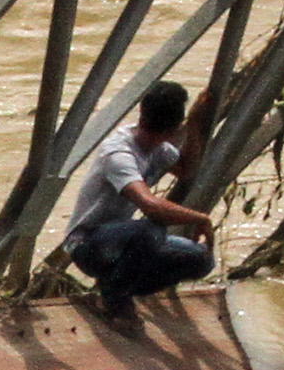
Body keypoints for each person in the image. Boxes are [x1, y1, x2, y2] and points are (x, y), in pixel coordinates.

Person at [66, 80, 215, 321]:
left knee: (201, 259)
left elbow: (185, 169)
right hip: (87, 244)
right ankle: (115, 297)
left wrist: (194, 125)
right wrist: (201, 218)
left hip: (121, 241)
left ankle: (115, 284)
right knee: (150, 230)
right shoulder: (118, 153)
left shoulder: (157, 147)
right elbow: (151, 206)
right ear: (173, 130)